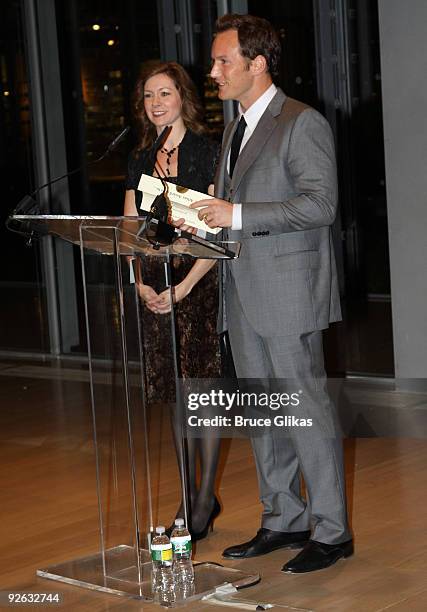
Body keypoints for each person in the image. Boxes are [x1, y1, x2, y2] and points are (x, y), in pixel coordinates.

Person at [188, 14, 353, 573]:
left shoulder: (301, 123)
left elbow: (319, 205)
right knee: (265, 414)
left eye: (222, 61)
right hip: (245, 293)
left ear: (257, 64)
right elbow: (234, 211)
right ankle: (284, 518)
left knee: (304, 411)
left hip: (288, 294)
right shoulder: (236, 128)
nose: (212, 71)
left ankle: (332, 532)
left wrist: (237, 213)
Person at [124, 61, 222, 539]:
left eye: (165, 93)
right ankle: (188, 490)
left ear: (183, 97)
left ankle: (203, 500)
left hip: (197, 281)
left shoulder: (207, 150)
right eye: (148, 96)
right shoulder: (141, 157)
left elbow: (214, 231)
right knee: (173, 394)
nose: (156, 103)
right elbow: (129, 228)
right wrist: (138, 281)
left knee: (199, 389)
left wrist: (184, 287)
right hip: (153, 282)